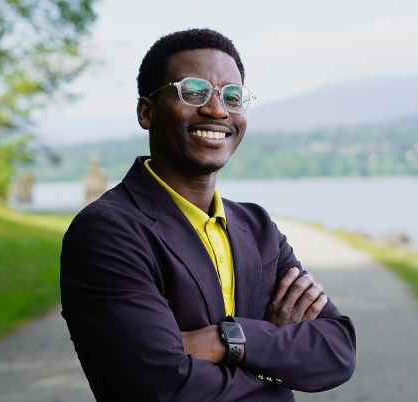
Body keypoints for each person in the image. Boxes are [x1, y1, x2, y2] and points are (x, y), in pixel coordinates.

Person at [60, 28, 356, 401]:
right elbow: (163, 388)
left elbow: (338, 351)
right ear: (146, 112)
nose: (217, 110)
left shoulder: (257, 228)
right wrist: (274, 361)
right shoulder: (107, 232)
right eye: (193, 92)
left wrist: (226, 339)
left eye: (232, 96)